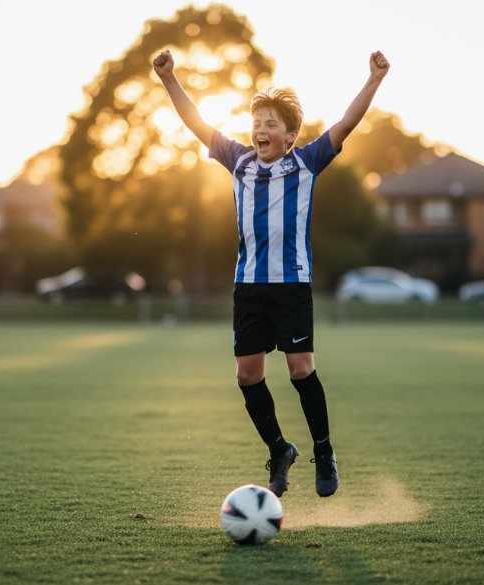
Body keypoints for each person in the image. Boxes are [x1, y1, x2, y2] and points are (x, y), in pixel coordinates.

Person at [153, 48, 390, 498]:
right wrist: (169, 79)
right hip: (249, 286)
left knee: (301, 369)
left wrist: (373, 80)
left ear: (290, 135)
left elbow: (346, 123)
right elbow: (197, 122)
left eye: (271, 124)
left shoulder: (306, 162)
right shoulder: (238, 161)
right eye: (257, 121)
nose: (260, 129)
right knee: (247, 375)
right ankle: (279, 449)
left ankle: (324, 450)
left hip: (292, 285)